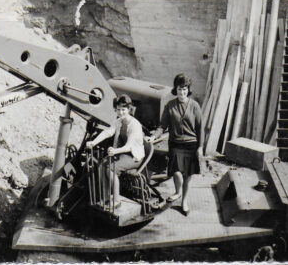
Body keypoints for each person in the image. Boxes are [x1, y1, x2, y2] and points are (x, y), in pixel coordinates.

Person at [148, 73, 203, 216]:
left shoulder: (195, 106)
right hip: (175, 144)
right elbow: (162, 126)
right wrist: (154, 136)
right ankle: (178, 192)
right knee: (176, 172)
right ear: (175, 89)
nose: (182, 92)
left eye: (184, 89)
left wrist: (200, 147)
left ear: (188, 90)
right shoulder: (170, 106)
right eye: (179, 89)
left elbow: (200, 128)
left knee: (187, 175)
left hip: (191, 144)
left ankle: (184, 201)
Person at [86, 94, 145, 208]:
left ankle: (116, 200)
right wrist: (93, 142)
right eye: (118, 110)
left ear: (129, 109)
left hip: (134, 156)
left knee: (111, 169)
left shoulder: (135, 125)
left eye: (123, 109)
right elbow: (107, 132)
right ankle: (106, 197)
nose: (120, 112)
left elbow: (129, 146)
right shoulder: (119, 121)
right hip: (122, 153)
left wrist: (115, 151)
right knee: (101, 166)